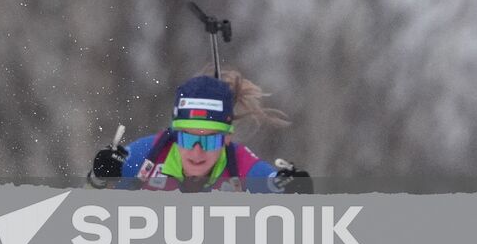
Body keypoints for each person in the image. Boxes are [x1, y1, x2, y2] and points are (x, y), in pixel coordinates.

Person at [88, 69, 312, 193]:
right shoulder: (147, 155)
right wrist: (98, 179)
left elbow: (278, 190)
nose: (197, 153)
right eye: (187, 139)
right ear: (174, 134)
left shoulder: (241, 167)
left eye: (208, 142)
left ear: (226, 138)